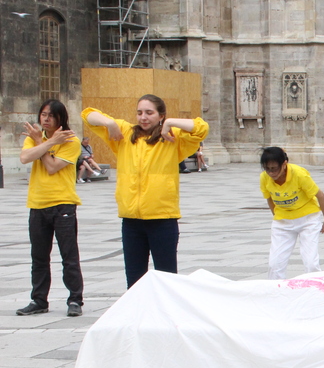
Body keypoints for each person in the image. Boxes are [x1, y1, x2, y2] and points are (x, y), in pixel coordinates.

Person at [83, 94, 209, 288]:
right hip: (132, 220)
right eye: (140, 112)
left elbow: (202, 128)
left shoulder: (172, 137)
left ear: (161, 115)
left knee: (166, 278)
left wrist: (170, 123)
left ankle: (166, 317)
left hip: (162, 218)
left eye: (150, 113)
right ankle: (139, 317)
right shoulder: (124, 134)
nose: (143, 117)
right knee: (134, 280)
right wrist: (109, 123)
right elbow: (88, 115)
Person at [17, 100, 84, 317]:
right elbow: (25, 157)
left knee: (69, 255)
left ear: (60, 118)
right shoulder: (33, 138)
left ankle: (75, 299)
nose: (45, 119)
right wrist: (42, 141)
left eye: (51, 116)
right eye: (43, 114)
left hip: (62, 203)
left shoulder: (71, 140)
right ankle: (39, 300)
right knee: (39, 256)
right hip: (37, 203)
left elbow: (53, 167)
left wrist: (42, 143)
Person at [259, 147, 324, 279]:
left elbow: (320, 195)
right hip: (283, 221)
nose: (271, 173)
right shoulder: (264, 177)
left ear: (284, 164)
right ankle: (276, 293)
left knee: (310, 263)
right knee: (275, 264)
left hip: (308, 218)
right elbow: (269, 198)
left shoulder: (299, 174)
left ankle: (315, 290)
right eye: (267, 169)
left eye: (274, 168)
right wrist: (277, 216)